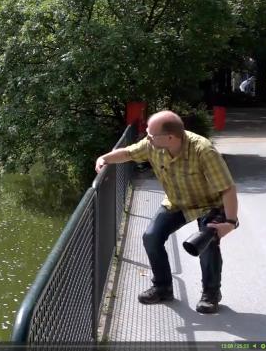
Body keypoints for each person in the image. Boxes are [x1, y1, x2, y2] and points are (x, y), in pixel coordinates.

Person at [94, 110, 239, 314]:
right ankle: (163, 288)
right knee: (151, 237)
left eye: (151, 134)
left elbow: (227, 188)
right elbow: (128, 153)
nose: (147, 137)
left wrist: (230, 222)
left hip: (209, 204)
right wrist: (104, 158)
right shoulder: (152, 145)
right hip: (176, 202)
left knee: (208, 243)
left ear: (170, 137)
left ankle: (211, 294)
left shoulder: (203, 150)